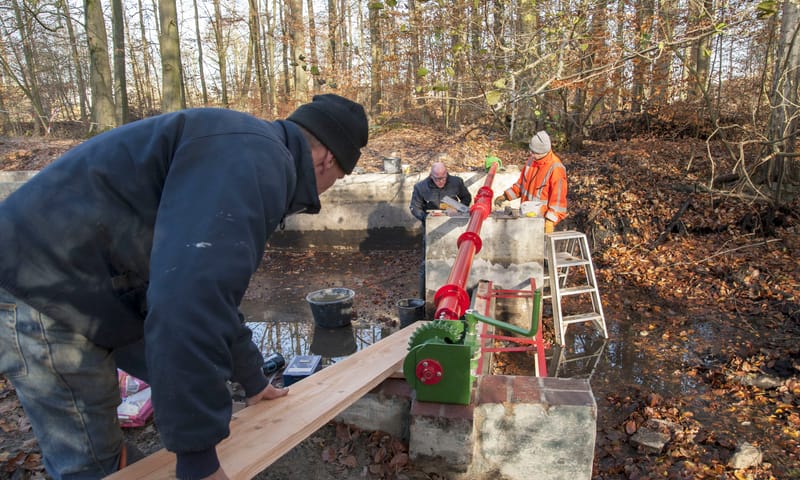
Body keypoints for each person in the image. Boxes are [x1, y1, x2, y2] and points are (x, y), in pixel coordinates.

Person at [0, 94, 369, 480]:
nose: (325, 192)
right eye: (337, 180)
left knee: (111, 441)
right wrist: (199, 462)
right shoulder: (256, 161)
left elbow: (207, 293)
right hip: (41, 286)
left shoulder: (243, 146)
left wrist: (252, 378)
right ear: (327, 159)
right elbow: (189, 303)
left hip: (78, 279)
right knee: (88, 463)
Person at [409, 161, 472, 298]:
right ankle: (424, 297)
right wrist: (427, 218)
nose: (441, 181)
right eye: (438, 179)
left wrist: (460, 209)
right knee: (426, 263)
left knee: (455, 258)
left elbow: (466, 197)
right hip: (432, 229)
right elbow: (415, 207)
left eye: (444, 177)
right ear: (431, 176)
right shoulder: (421, 187)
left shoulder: (456, 182)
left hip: (453, 226)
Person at [493, 130, 567, 233]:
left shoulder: (556, 168)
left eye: (534, 152)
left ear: (542, 151)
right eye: (531, 151)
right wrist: (506, 196)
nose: (531, 154)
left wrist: (550, 221)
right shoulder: (531, 162)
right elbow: (520, 185)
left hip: (542, 221)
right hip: (526, 218)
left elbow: (558, 202)